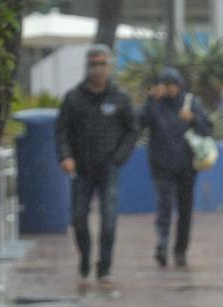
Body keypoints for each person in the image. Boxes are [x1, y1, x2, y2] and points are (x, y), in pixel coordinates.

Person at [56, 44, 138, 283]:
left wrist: (120, 156)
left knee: (109, 220)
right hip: (81, 169)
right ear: (87, 66)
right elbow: (62, 131)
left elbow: (132, 130)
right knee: (78, 218)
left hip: (109, 168)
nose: (98, 70)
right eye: (94, 64)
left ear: (109, 67)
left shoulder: (120, 98)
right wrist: (65, 156)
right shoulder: (73, 98)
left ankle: (104, 266)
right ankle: (85, 257)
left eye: (102, 64)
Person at [139, 67, 213, 268]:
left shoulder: (190, 103)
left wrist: (193, 119)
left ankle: (181, 249)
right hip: (161, 164)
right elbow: (139, 123)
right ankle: (162, 244)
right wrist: (150, 100)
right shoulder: (154, 104)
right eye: (165, 84)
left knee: (185, 209)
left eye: (172, 85)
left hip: (187, 166)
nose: (169, 89)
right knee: (164, 205)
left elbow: (208, 128)